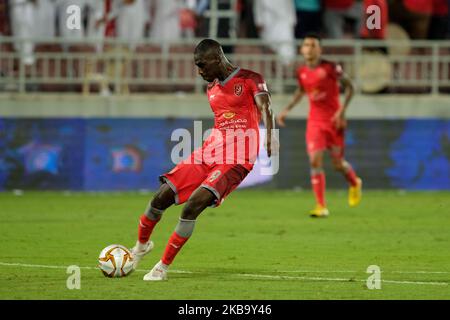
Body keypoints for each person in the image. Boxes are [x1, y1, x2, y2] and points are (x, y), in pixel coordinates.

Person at [130, 39, 277, 281]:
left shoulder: (251, 78)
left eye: (201, 65)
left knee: (192, 206)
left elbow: (266, 107)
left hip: (237, 159)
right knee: (161, 197)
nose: (199, 71)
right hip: (209, 152)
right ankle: (140, 247)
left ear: (217, 58)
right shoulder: (211, 88)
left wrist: (271, 137)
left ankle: (162, 267)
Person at [276, 34, 362, 218]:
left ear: (319, 49)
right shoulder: (301, 72)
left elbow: (351, 87)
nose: (309, 48)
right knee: (315, 160)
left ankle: (355, 183)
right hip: (315, 121)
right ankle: (321, 206)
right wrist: (286, 110)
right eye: (306, 45)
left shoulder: (331, 67)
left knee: (338, 164)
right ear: (302, 49)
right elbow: (301, 90)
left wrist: (342, 111)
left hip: (334, 121)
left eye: (313, 45)